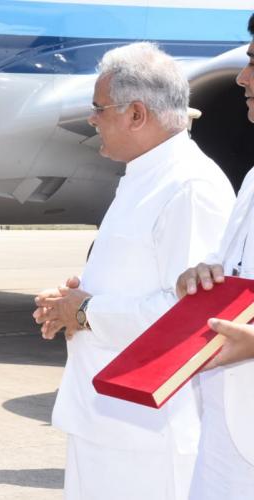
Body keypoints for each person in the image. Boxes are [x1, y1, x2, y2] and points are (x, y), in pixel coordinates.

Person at [32, 42, 235, 500]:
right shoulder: (145, 177)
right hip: (107, 420)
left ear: (137, 114)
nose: (92, 119)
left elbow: (193, 318)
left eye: (99, 108)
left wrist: (86, 313)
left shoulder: (189, 186)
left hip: (149, 434)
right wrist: (74, 302)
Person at [174, 14, 254, 499]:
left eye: (252, 64)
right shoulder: (251, 180)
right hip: (228, 422)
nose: (243, 79)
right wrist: (208, 276)